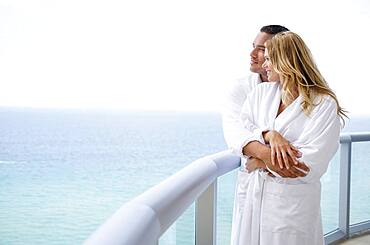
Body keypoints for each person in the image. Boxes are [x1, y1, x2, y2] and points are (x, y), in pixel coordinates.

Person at [231, 31, 346, 245]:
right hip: (254, 201)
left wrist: (259, 159)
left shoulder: (323, 104)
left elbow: (309, 163)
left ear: (286, 59)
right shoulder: (260, 94)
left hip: (292, 208)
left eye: (269, 59)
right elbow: (239, 133)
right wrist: (268, 135)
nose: (264, 65)